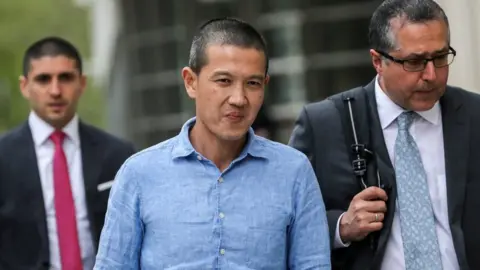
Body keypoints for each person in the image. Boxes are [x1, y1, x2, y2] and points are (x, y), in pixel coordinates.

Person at [94, 17, 331, 269]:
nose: (239, 98)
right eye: (223, 81)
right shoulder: (139, 174)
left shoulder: (293, 171)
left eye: (252, 83)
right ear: (190, 82)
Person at [289, 0, 480, 269]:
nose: (430, 74)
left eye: (439, 57)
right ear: (378, 61)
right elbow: (285, 220)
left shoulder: (474, 115)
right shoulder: (324, 124)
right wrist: (341, 227)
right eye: (414, 62)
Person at [0, 37, 135, 270]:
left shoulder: (118, 154)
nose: (55, 90)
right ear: (25, 86)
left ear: (81, 83)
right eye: (43, 79)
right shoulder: (3, 158)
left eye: (65, 78)